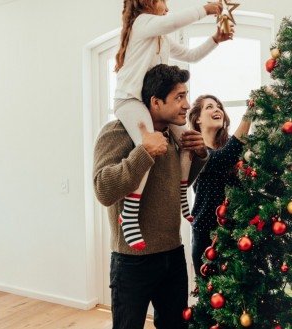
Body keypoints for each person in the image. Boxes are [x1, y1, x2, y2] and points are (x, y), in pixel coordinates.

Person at [94, 64, 208, 329]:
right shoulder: (116, 132)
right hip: (132, 261)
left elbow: (171, 186)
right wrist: (143, 151)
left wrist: (200, 155)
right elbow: (103, 189)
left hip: (173, 253)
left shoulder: (172, 137)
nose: (187, 104)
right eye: (179, 97)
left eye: (186, 95)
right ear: (155, 102)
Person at [114, 0, 234, 250]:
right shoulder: (143, 23)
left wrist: (215, 39)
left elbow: (191, 55)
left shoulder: (163, 39)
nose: (167, 7)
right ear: (148, 3)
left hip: (150, 102)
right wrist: (207, 9)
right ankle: (130, 212)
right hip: (131, 100)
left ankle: (182, 199)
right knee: (149, 146)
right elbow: (171, 21)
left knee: (188, 141)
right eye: (163, 2)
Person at [187, 94, 251, 276]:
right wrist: (250, 112)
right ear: (197, 118)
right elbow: (222, 158)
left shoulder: (235, 147)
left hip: (238, 231)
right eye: (209, 107)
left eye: (219, 107)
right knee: (210, 296)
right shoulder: (195, 150)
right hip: (207, 234)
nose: (217, 110)